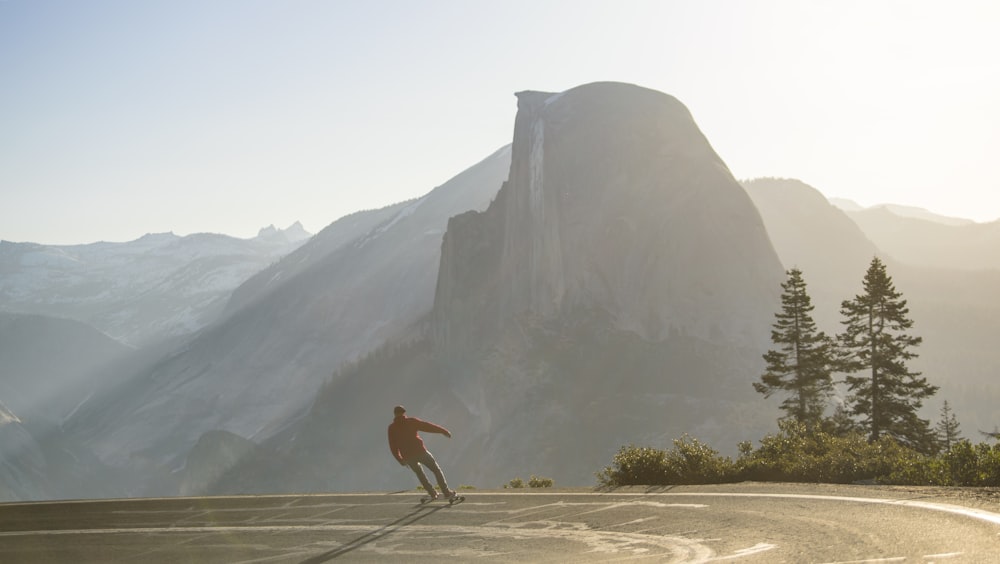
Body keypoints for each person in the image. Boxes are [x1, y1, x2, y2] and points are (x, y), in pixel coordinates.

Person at [387, 405, 456, 500]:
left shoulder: (391, 428)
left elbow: (393, 446)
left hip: (407, 456)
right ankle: (446, 492)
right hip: (420, 451)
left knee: (420, 474)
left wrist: (400, 460)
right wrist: (443, 431)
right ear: (404, 413)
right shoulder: (411, 421)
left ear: (394, 414)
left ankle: (432, 493)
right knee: (436, 470)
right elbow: (428, 427)